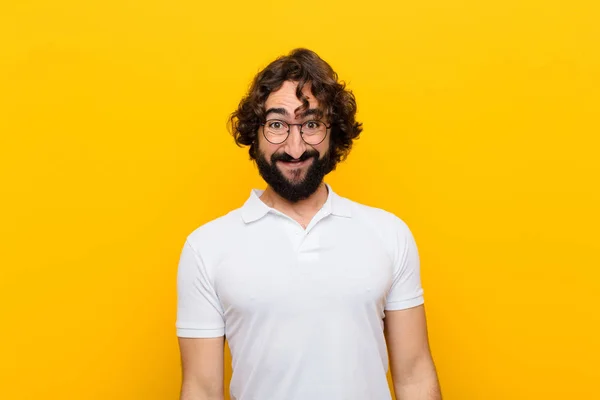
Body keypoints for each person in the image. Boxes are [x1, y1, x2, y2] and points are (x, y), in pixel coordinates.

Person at [175, 48, 442, 400]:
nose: (295, 146)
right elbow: (202, 389)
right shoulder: (206, 248)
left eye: (311, 124)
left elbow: (415, 376)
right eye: (277, 124)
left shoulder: (389, 234)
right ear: (254, 135)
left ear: (335, 133)